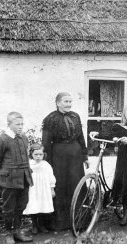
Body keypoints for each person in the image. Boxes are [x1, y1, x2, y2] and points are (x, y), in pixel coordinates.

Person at [90, 102, 127, 226]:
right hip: (124, 162)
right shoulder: (120, 128)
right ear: (124, 116)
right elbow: (111, 136)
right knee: (125, 187)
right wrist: (98, 134)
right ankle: (126, 214)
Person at [42, 92, 89, 230]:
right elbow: (45, 142)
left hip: (75, 154)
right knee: (61, 185)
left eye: (70, 101)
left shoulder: (75, 116)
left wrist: (85, 155)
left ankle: (79, 220)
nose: (69, 104)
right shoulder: (50, 119)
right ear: (58, 103)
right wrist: (47, 162)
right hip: (58, 155)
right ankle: (60, 223)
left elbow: (81, 137)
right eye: (66, 101)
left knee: (76, 184)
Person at [0, 112, 33, 244]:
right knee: (9, 207)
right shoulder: (3, 139)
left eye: (22, 124)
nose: (21, 127)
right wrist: (3, 174)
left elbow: (25, 156)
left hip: (24, 177)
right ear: (9, 124)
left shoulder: (24, 138)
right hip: (9, 179)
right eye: (17, 124)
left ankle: (17, 231)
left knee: (22, 205)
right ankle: (8, 233)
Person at [23, 143, 56, 234]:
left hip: (43, 189)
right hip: (33, 189)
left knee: (42, 206)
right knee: (33, 205)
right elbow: (25, 176)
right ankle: (34, 225)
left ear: (43, 155)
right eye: (36, 154)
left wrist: (52, 188)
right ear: (31, 154)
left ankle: (41, 225)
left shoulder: (46, 165)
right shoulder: (29, 164)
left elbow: (51, 177)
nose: (38, 157)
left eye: (40, 154)